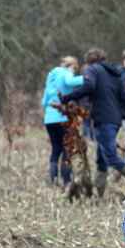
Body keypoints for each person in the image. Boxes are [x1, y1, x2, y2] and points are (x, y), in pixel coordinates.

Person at [61, 48, 125, 195]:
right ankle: (98, 192)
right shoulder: (115, 73)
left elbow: (89, 86)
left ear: (89, 61)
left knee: (111, 157)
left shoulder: (92, 69)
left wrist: (68, 97)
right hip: (115, 119)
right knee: (102, 157)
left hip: (103, 119)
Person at [42, 56, 85, 186]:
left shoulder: (51, 78)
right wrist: (87, 78)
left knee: (56, 149)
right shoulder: (67, 73)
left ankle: (53, 180)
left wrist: (49, 112)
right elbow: (71, 82)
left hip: (49, 118)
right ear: (73, 67)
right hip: (63, 117)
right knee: (67, 148)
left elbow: (44, 101)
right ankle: (67, 180)